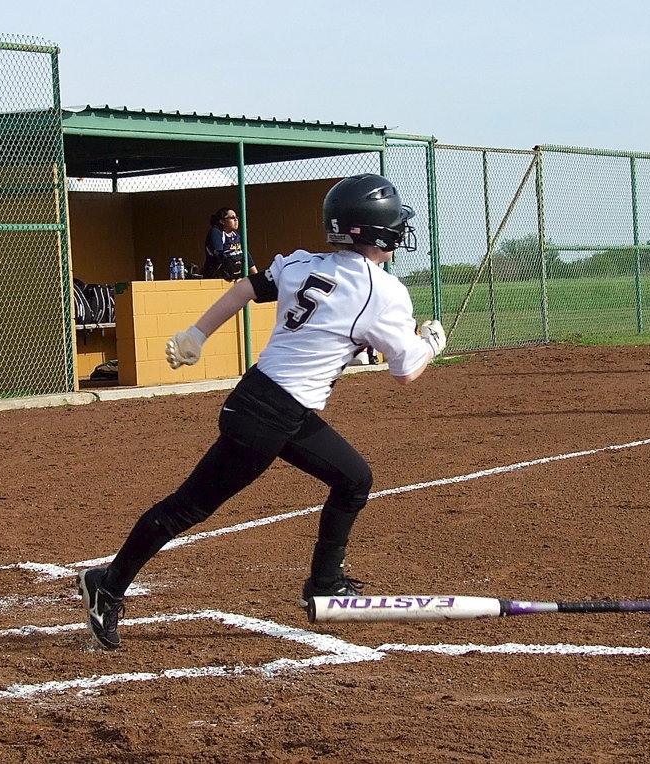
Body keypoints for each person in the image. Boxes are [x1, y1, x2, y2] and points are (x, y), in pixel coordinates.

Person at [78, 174, 447, 650]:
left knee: (354, 478)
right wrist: (430, 344)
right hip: (266, 419)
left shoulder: (302, 263)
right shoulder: (383, 290)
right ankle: (107, 583)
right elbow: (405, 374)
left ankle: (325, 584)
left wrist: (197, 334)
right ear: (377, 232)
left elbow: (245, 290)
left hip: (269, 402)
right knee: (188, 507)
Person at [202, 207, 257, 280]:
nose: (236, 220)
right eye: (232, 217)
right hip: (216, 277)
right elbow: (219, 255)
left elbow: (246, 254)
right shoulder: (216, 232)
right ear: (222, 221)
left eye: (236, 217)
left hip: (234, 277)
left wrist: (256, 276)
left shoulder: (235, 235)